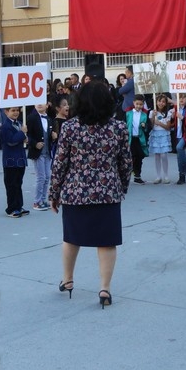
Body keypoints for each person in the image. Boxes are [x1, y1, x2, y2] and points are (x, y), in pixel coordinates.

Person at [49, 80, 132, 309]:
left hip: (75, 192)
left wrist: (54, 192)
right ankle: (104, 288)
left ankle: (68, 280)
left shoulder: (69, 127)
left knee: (71, 238)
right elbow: (126, 163)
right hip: (107, 192)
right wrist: (121, 187)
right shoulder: (118, 128)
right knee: (107, 243)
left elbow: (60, 164)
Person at [0, 106, 29, 218]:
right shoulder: (5, 127)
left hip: (20, 158)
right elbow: (11, 141)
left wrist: (26, 138)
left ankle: (18, 205)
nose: (16, 112)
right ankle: (11, 208)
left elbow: (24, 138)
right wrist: (22, 134)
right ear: (6, 112)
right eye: (13, 110)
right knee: (11, 184)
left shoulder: (20, 123)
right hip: (10, 160)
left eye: (17, 110)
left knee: (18, 184)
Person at [28, 103, 56, 211]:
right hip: (37, 152)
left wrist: (53, 137)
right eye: (37, 102)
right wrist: (35, 144)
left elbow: (49, 136)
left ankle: (43, 199)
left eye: (42, 102)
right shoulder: (31, 118)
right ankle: (37, 201)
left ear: (47, 105)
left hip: (47, 152)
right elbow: (28, 135)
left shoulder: (49, 119)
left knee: (47, 176)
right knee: (41, 177)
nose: (39, 104)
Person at [148, 94, 173, 184]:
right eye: (159, 101)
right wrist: (153, 118)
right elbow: (150, 125)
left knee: (163, 155)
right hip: (155, 134)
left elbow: (168, 127)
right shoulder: (152, 112)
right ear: (156, 102)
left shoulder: (168, 113)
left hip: (164, 134)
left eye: (163, 102)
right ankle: (158, 176)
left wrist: (160, 123)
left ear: (166, 103)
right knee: (157, 155)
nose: (161, 103)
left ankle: (166, 175)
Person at [126, 94, 149, 184]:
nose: (139, 106)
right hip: (130, 139)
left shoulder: (144, 115)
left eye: (140, 104)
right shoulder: (128, 114)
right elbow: (125, 125)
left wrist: (144, 126)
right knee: (130, 157)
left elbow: (147, 128)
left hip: (139, 139)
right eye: (137, 104)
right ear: (133, 103)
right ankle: (127, 174)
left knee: (139, 157)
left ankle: (137, 175)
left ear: (143, 104)